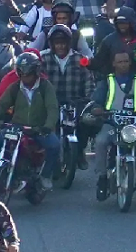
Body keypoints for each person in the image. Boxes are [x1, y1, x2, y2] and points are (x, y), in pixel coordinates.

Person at [89, 46, 136, 199]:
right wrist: (97, 108)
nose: (123, 64)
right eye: (120, 62)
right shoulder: (107, 81)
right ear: (113, 64)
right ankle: (102, 178)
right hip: (112, 122)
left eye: (126, 61)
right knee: (100, 141)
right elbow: (96, 101)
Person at [0, 53, 60, 190]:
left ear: (36, 72)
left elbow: (52, 108)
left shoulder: (46, 87)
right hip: (17, 127)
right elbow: (1, 104)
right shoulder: (14, 87)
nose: (25, 78)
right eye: (22, 74)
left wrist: (48, 126)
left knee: (55, 145)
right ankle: (0, 173)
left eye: (28, 74)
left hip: (38, 129)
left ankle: (45, 175)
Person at [40, 24, 95, 170]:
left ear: (69, 43)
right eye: (57, 43)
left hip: (75, 101)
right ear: (51, 44)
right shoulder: (43, 58)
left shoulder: (80, 59)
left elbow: (89, 80)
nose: (60, 46)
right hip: (51, 102)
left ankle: (79, 151)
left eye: (63, 42)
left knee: (85, 123)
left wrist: (88, 99)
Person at [91, 7, 136, 78]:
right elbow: (98, 62)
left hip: (134, 82)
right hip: (112, 81)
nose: (122, 26)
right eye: (119, 23)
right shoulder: (108, 41)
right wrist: (85, 62)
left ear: (132, 23)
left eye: (125, 23)